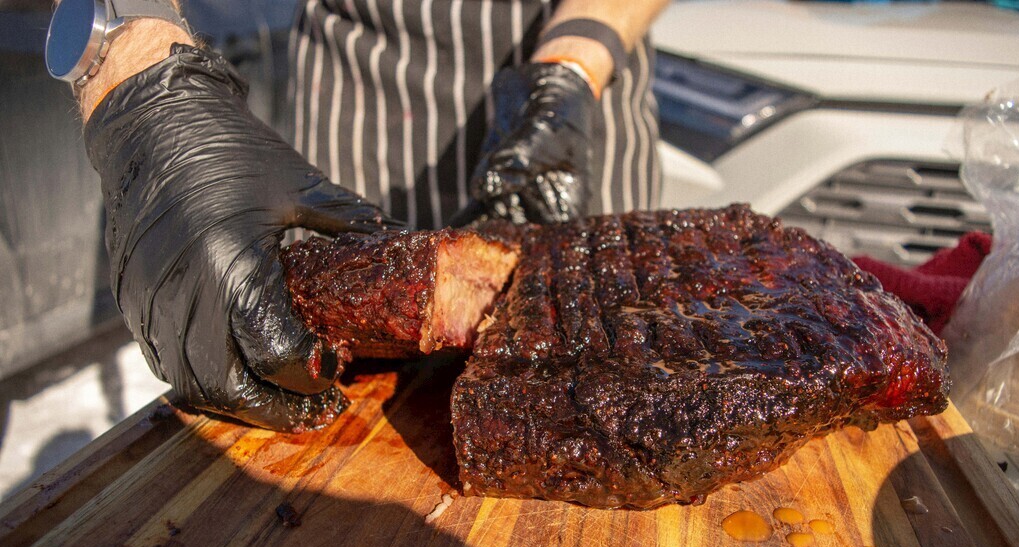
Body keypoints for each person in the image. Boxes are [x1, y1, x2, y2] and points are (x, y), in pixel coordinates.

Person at [57, 0, 668, 431]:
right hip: (363, 104)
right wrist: (130, 58)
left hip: (585, 94)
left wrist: (572, 65)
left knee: (606, 389)